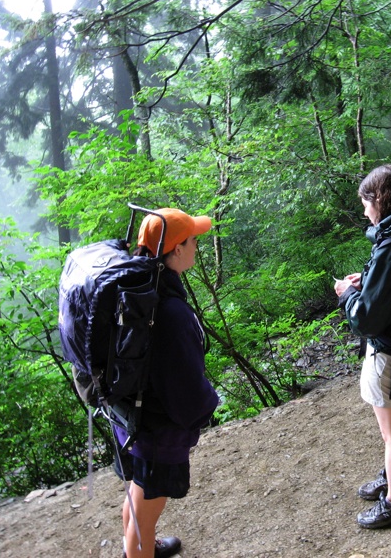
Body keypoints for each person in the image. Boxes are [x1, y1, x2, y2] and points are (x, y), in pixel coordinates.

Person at [115, 208, 219, 558]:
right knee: (143, 520)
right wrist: (208, 405)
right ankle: (142, 550)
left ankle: (147, 546)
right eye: (192, 241)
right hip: (156, 430)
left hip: (130, 417)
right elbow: (186, 390)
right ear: (176, 250)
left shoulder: (138, 288)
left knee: (139, 494)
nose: (196, 247)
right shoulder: (169, 311)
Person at [334, 164, 391, 529]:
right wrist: (368, 280)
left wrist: (348, 294)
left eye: (365, 202)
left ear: (378, 200)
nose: (363, 211)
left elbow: (368, 319)